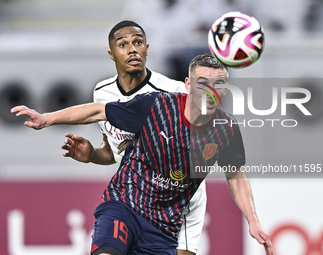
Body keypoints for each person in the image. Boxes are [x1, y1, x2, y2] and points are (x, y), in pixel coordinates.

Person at [12, 53, 273, 255]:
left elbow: (236, 175)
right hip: (125, 204)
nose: (210, 90)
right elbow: (99, 111)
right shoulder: (156, 105)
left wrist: (253, 220)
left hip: (164, 226)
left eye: (219, 84)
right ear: (188, 85)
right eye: (202, 82)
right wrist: (47, 119)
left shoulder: (225, 128)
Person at [63, 20, 206, 255]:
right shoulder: (102, 92)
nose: (132, 49)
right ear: (112, 53)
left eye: (138, 42)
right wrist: (93, 155)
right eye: (123, 44)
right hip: (131, 200)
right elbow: (114, 151)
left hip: (176, 205)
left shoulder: (175, 92)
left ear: (146, 49)